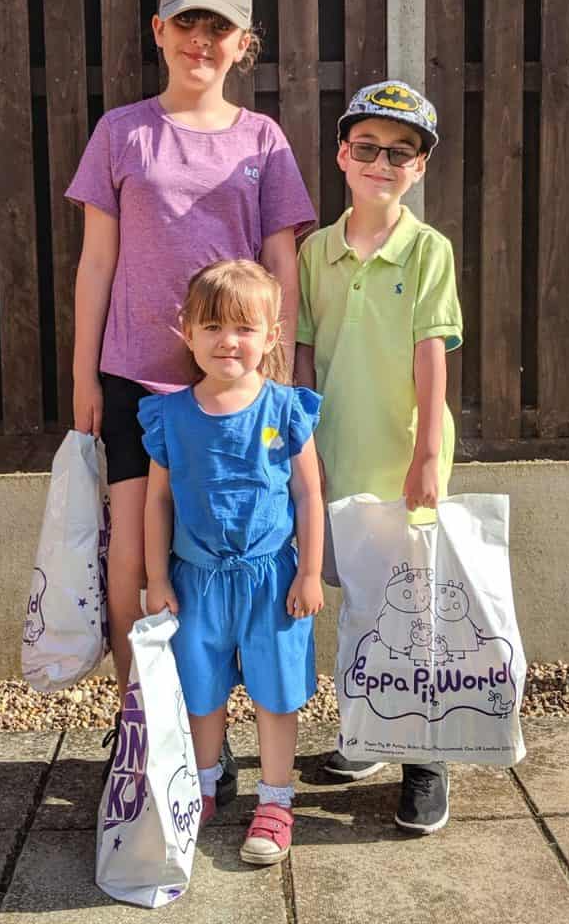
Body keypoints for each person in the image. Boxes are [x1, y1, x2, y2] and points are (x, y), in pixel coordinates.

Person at [65, 0, 316, 804]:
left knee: (240, 555)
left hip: (242, 393)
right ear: (159, 32)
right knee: (134, 558)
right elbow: (97, 262)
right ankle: (144, 723)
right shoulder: (122, 132)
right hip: (142, 377)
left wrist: (289, 361)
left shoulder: (262, 141)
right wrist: (86, 374)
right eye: (187, 23)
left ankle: (237, 739)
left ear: (244, 43)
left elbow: (282, 256)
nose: (201, 40)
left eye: (220, 28)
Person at [294, 80, 464, 834]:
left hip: (404, 460)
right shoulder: (312, 253)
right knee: (358, 603)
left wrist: (427, 452)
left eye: (400, 153)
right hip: (331, 455)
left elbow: (432, 352)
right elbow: (299, 355)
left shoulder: (428, 250)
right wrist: (296, 444)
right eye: (367, 147)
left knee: (413, 608)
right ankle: (366, 733)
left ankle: (427, 761)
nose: (381, 163)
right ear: (341, 155)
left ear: (419, 168)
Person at [140, 260, 325, 865]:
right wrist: (158, 578)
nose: (228, 341)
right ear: (186, 333)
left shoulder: (285, 410)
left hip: (274, 579)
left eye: (245, 328)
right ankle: (202, 782)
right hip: (196, 582)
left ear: (272, 336)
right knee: (201, 688)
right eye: (214, 326)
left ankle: (275, 801)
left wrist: (309, 571)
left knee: (275, 692)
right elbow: (158, 501)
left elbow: (307, 493)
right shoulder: (171, 416)